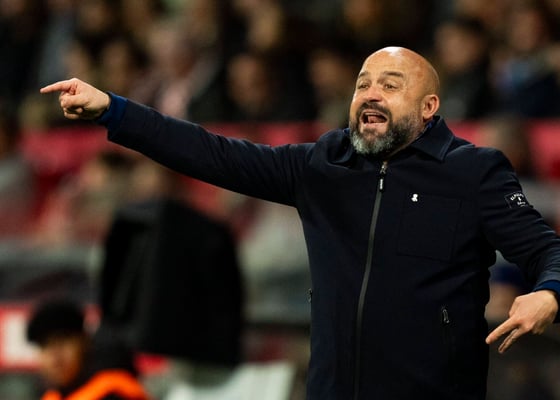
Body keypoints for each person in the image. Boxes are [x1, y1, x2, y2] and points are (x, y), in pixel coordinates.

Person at [40, 46, 560, 399]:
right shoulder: (322, 167)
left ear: (429, 107)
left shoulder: (473, 171)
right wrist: (114, 111)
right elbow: (211, 153)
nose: (370, 93)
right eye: (363, 84)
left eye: (390, 84)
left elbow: (547, 251)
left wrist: (549, 293)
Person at [26, 298, 150, 400]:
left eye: (62, 342)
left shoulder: (113, 391)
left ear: (84, 342)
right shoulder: (53, 395)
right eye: (45, 346)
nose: (55, 356)